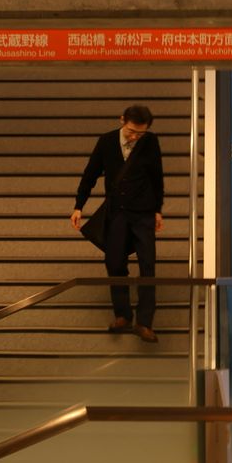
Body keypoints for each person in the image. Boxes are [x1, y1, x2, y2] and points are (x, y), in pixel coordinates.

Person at [70, 104, 165, 343]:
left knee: (148, 265)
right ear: (122, 120)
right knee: (114, 261)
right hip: (118, 212)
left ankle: (144, 322)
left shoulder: (150, 142)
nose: (135, 137)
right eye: (132, 131)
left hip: (143, 211)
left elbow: (157, 177)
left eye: (140, 133)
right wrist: (79, 205)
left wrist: (158, 210)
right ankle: (122, 314)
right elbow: (90, 174)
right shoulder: (106, 141)